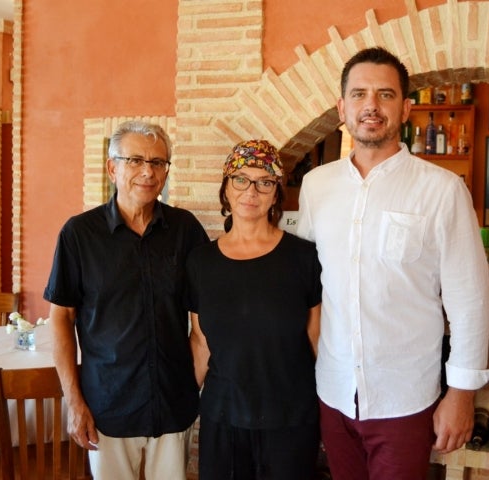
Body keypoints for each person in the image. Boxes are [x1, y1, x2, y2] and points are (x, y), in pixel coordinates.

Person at [296, 47, 489, 480]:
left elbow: (470, 299)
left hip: (404, 398)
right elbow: (311, 286)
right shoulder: (316, 187)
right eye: (359, 94)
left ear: (406, 108)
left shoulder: (442, 191)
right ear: (341, 108)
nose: (371, 105)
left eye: (385, 94)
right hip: (331, 391)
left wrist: (461, 393)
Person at [44, 120, 209, 479]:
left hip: (171, 408)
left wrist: (188, 384)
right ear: (112, 168)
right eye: (134, 160)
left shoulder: (186, 231)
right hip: (107, 408)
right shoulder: (79, 234)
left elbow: (203, 324)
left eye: (158, 162)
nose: (147, 172)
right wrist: (74, 403)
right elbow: (61, 319)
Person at [186, 139, 322, 479]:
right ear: (226, 188)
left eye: (264, 182)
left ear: (276, 193)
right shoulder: (200, 262)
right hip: (222, 418)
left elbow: (317, 340)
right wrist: (183, 405)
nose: (251, 191)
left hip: (291, 419)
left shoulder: (304, 258)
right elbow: (201, 341)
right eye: (241, 179)